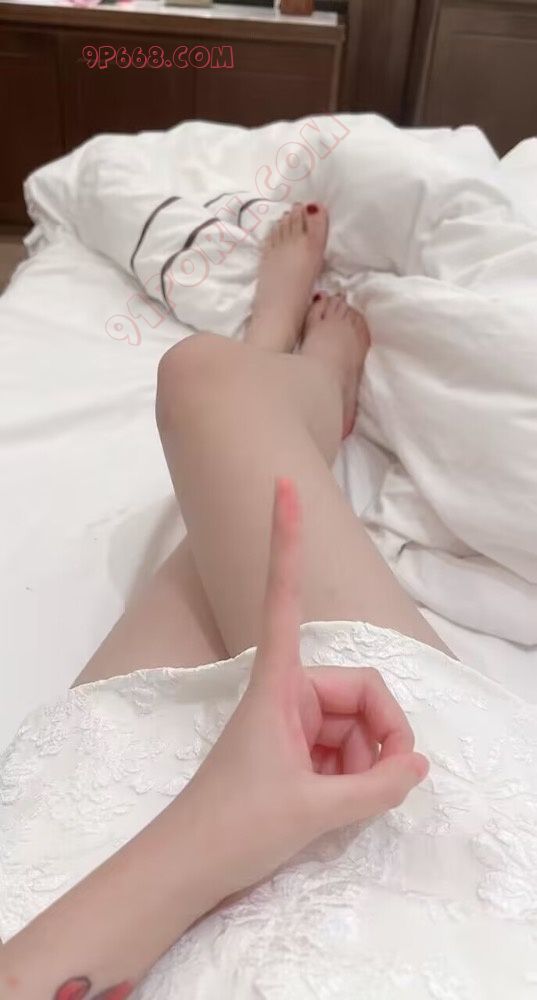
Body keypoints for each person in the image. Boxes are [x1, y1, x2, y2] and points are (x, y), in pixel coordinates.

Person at [1, 203, 452, 997]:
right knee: (203, 384)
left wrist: (204, 840)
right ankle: (302, 385)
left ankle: (271, 361)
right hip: (422, 896)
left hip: (57, 900)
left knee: (219, 502)